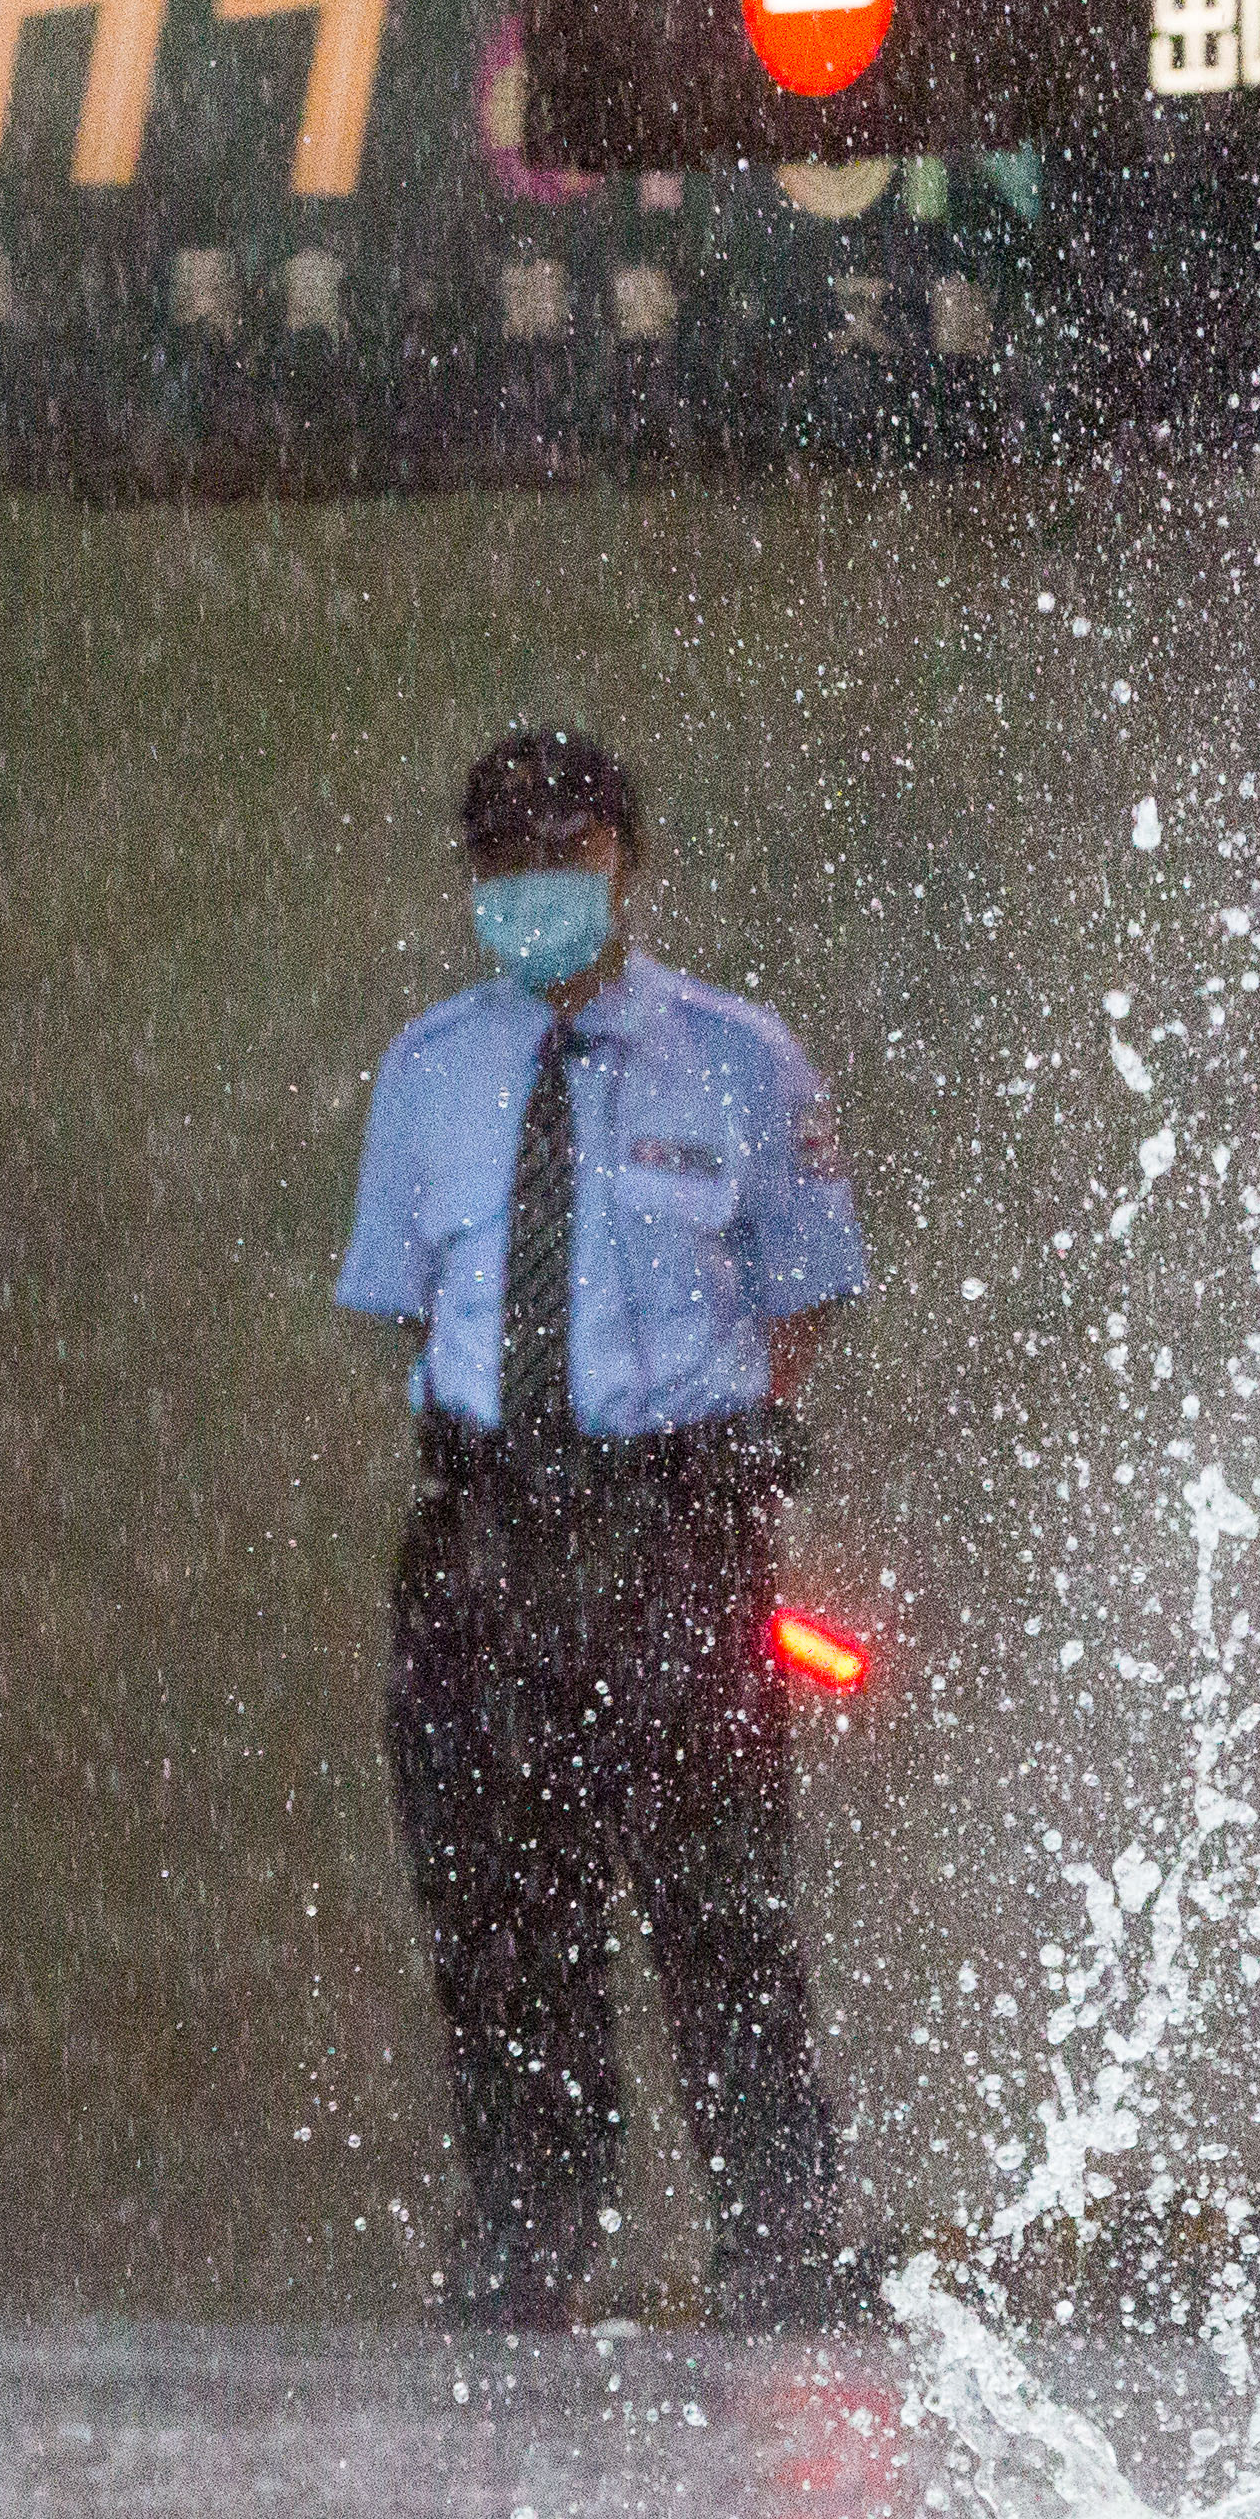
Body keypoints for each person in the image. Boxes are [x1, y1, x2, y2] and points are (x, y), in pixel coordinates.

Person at [335, 729, 872, 2333]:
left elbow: (801, 1293)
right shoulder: (430, 1071)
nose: (532, 893)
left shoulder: (739, 1057)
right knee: (498, 1905)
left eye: (562, 855)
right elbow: (406, 1304)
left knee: (720, 1900)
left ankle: (779, 2231)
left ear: (623, 857)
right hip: (489, 1536)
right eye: (502, 864)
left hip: (673, 1534)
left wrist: (693, 1458)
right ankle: (529, 2226)